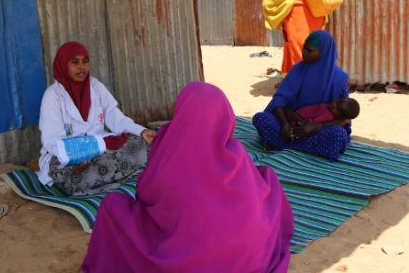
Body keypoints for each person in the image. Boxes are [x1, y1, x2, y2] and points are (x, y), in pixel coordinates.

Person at [82, 82, 294, 273]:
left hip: (183, 262)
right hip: (247, 260)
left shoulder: (170, 153)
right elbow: (253, 186)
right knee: (267, 176)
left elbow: (146, 194)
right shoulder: (237, 154)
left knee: (113, 204)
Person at [36, 42, 156, 195]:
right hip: (65, 155)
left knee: (138, 143)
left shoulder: (96, 87)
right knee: (74, 173)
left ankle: (101, 182)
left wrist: (142, 131)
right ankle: (110, 178)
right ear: (63, 65)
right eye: (75, 62)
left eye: (85, 61)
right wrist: (74, 158)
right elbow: (52, 141)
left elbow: (117, 119)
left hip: (97, 148)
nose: (82, 67)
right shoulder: (52, 96)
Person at [253, 30, 351, 162]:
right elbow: (279, 100)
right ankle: (305, 147)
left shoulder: (339, 78)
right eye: (304, 48)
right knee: (261, 118)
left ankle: (281, 144)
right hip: (291, 124)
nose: (304, 53)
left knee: (337, 135)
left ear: (324, 53)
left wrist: (316, 127)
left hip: (318, 128)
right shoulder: (297, 69)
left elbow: (344, 118)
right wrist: (285, 125)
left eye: (310, 51)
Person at [287, 97, 360, 127]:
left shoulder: (327, 116)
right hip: (295, 115)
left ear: (340, 117)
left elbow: (311, 124)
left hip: (295, 121)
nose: (334, 104)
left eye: (337, 108)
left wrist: (299, 122)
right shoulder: (329, 108)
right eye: (337, 101)